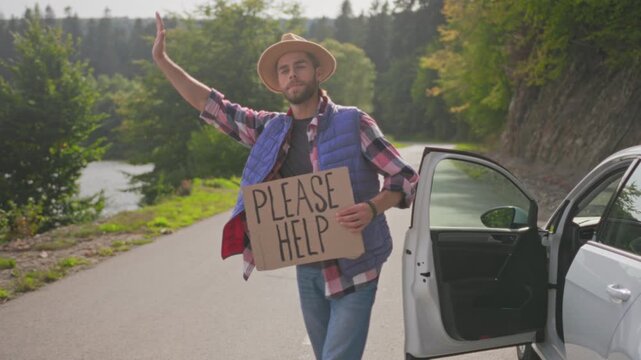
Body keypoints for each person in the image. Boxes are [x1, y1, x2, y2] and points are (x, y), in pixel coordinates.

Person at [152, 12, 419, 360]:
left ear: (317, 72)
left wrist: (371, 208)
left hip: (358, 264)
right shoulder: (271, 130)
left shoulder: (354, 122)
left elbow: (405, 177)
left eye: (300, 66)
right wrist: (162, 60)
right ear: (278, 82)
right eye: (284, 70)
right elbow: (213, 106)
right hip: (308, 267)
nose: (292, 74)